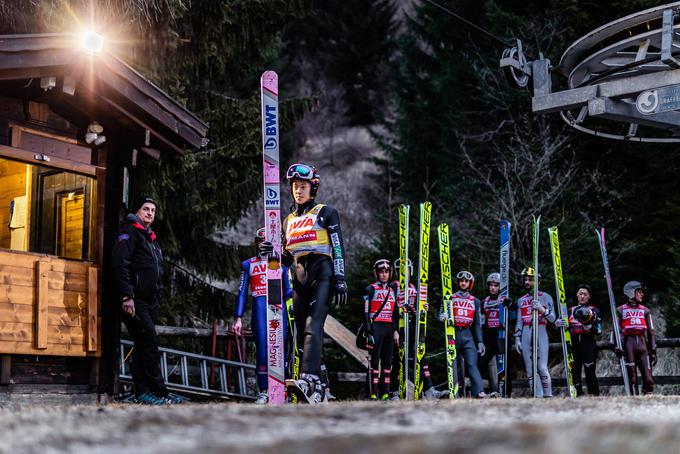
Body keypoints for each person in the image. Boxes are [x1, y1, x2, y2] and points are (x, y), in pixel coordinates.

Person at [261, 163, 348, 404]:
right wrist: (272, 254)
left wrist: (340, 278)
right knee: (301, 333)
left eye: (303, 186)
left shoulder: (326, 212)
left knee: (313, 325)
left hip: (323, 272)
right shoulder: (288, 220)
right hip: (299, 275)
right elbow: (287, 258)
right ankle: (320, 385)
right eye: (295, 187)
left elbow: (338, 247)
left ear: (313, 188)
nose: (298, 191)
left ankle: (309, 378)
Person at [112, 196, 177, 405]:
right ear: (137, 211)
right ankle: (156, 391)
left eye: (153, 210)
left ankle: (145, 392)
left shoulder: (151, 239)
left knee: (143, 345)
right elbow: (120, 265)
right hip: (134, 300)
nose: (150, 213)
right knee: (149, 342)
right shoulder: (129, 233)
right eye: (146, 209)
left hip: (151, 302)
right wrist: (127, 296)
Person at [234, 228, 293, 404]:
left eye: (267, 241)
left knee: (280, 350)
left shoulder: (281, 264)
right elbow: (242, 293)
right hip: (259, 309)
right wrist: (238, 317)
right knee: (262, 351)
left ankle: (281, 390)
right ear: (256, 243)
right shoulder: (248, 264)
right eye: (260, 241)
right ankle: (263, 391)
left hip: (278, 309)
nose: (263, 244)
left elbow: (288, 290)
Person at [389, 259, 439, 400]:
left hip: (412, 326)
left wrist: (424, 308)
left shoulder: (413, 287)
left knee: (420, 357)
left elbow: (417, 308)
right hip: (399, 326)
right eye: (401, 271)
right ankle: (395, 391)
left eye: (407, 270)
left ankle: (429, 389)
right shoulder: (393, 286)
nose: (404, 273)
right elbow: (389, 308)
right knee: (399, 359)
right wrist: (394, 331)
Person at [514, 267, 561, 398]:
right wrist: (517, 338)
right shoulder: (521, 300)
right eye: (526, 280)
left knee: (541, 366)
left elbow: (553, 318)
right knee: (530, 368)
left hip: (541, 329)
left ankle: (548, 395)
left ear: (537, 282)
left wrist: (541, 309)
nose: (527, 282)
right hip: (525, 332)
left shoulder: (546, 297)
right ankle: (537, 396)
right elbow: (519, 321)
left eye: (530, 280)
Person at [440, 271, 486, 398]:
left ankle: (479, 392)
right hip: (453, 333)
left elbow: (477, 323)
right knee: (452, 364)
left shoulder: (475, 301)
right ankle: (453, 391)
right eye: (461, 281)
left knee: (471, 363)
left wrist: (480, 341)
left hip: (467, 334)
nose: (463, 283)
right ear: (458, 283)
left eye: (466, 281)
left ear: (470, 284)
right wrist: (442, 316)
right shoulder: (449, 297)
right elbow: (441, 314)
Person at [363, 259, 399, 400]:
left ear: (390, 273)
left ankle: (385, 394)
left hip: (389, 329)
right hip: (376, 327)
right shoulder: (370, 289)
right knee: (374, 363)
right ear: (376, 273)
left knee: (387, 364)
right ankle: (372, 394)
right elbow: (365, 313)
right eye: (381, 272)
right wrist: (369, 331)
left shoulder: (393, 289)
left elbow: (395, 311)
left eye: (386, 272)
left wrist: (396, 331)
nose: (384, 274)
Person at [616, 281, 656, 395]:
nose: (642, 294)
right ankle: (633, 404)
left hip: (643, 346)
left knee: (649, 380)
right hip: (629, 346)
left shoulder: (645, 310)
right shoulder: (620, 310)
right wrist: (616, 347)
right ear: (630, 293)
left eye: (642, 292)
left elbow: (651, 331)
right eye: (639, 292)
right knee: (632, 380)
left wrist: (653, 351)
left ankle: (648, 405)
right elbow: (616, 331)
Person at [478, 272, 513, 396]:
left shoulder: (504, 299)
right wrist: (480, 339)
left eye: (496, 285)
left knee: (504, 365)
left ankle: (506, 392)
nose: (493, 288)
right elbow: (481, 321)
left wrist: (510, 306)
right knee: (479, 363)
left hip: (501, 336)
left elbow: (513, 317)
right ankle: (482, 391)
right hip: (488, 338)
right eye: (491, 285)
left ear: (500, 287)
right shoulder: (484, 302)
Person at [568, 284, 602, 396]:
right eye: (580, 294)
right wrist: (559, 324)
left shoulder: (594, 310)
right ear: (577, 295)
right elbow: (561, 329)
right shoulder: (570, 310)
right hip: (574, 347)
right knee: (575, 373)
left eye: (585, 294)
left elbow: (598, 330)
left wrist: (590, 327)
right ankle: (579, 397)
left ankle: (595, 396)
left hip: (588, 346)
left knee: (590, 374)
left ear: (589, 296)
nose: (582, 296)